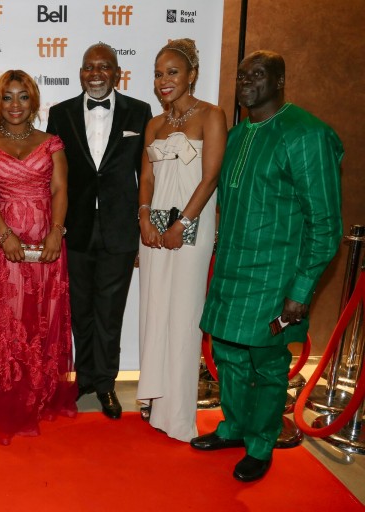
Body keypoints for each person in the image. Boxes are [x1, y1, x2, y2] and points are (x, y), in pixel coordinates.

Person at [193, 51, 343, 482]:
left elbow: (325, 223)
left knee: (267, 361)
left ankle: (261, 444)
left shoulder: (305, 133)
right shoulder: (237, 135)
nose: (246, 82)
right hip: (232, 268)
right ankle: (234, 428)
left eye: (257, 75)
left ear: (279, 81)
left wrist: (301, 288)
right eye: (242, 75)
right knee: (228, 355)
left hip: (276, 277)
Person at [0, 70, 76, 445]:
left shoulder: (52, 143)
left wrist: (56, 232)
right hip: (5, 241)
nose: (15, 105)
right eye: (7, 97)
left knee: (43, 314)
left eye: (23, 97)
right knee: (9, 317)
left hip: (47, 239)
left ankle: (41, 392)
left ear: (34, 102)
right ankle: (11, 391)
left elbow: (60, 189)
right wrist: (4, 235)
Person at [46, 43, 152, 419]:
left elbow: (146, 175)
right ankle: (85, 378)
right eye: (89, 67)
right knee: (79, 310)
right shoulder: (60, 114)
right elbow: (53, 176)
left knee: (110, 312)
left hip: (119, 229)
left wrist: (144, 226)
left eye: (104, 66)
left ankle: (106, 383)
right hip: (74, 228)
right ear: (80, 73)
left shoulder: (139, 111)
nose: (96, 73)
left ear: (117, 73)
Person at [136, 39, 227, 442]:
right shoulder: (154, 124)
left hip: (191, 222)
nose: (164, 81)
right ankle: (154, 399)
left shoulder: (211, 115)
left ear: (192, 74)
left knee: (185, 314)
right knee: (154, 309)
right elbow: (147, 178)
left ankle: (177, 414)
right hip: (154, 226)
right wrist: (143, 218)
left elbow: (210, 177)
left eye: (172, 72)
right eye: (158, 74)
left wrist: (182, 224)